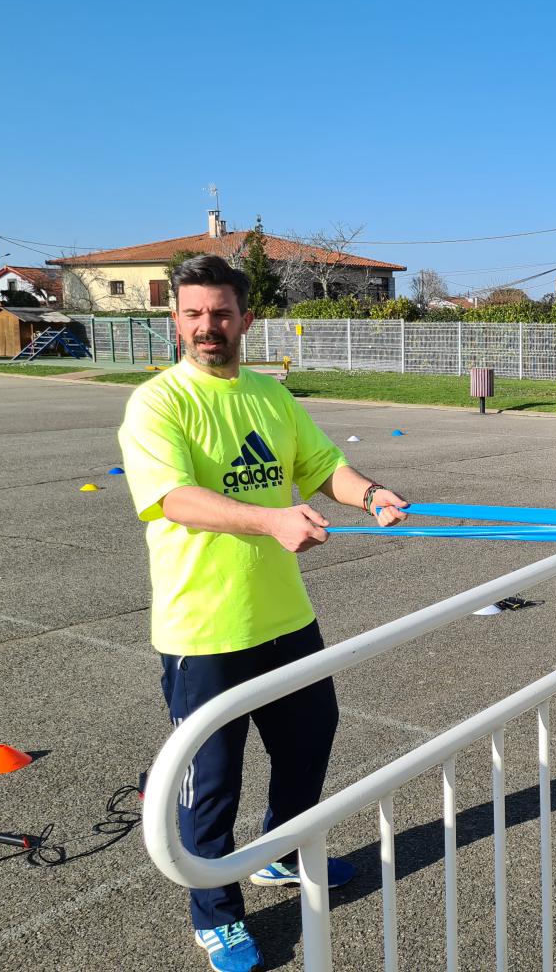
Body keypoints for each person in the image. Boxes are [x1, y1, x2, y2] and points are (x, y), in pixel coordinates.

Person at [118, 255, 409, 972]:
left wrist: (371, 493)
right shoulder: (158, 403)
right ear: (176, 320)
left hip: (285, 619)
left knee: (309, 742)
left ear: (245, 320)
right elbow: (173, 498)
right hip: (204, 629)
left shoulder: (271, 396)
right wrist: (271, 519)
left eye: (221, 313)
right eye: (193, 313)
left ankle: (278, 852)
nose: (207, 326)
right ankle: (215, 914)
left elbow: (322, 466)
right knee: (212, 782)